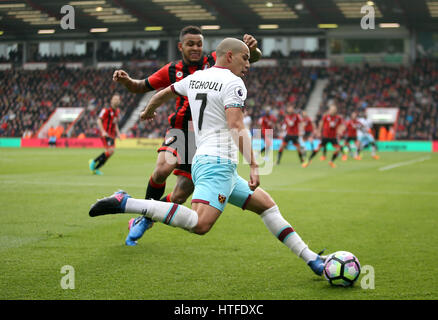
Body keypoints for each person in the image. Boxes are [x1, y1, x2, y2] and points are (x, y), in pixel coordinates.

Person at [89, 38, 328, 277]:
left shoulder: (195, 78)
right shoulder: (234, 82)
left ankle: (312, 259)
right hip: (217, 162)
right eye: (245, 58)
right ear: (230, 56)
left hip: (211, 162)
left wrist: (148, 110)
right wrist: (255, 163)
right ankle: (126, 203)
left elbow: (165, 93)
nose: (249, 63)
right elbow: (235, 124)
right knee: (200, 223)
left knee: (268, 208)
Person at [113, 26, 262, 245]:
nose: (195, 48)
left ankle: (146, 218)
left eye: (199, 44)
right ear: (181, 46)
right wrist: (126, 81)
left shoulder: (213, 61)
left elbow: (249, 57)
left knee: (181, 196)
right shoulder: (171, 70)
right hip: (182, 130)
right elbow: (141, 86)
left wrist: (254, 49)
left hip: (206, 139)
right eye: (190, 44)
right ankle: (144, 214)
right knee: (162, 169)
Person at [302, 104, 344, 168]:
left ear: (335, 111)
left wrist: (340, 131)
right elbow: (321, 123)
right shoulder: (326, 116)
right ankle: (308, 160)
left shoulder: (338, 118)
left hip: (333, 137)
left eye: (333, 110)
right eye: (331, 109)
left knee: (338, 149)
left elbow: (341, 125)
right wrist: (319, 131)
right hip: (325, 136)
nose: (332, 111)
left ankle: (331, 161)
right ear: (329, 110)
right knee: (317, 149)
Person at [88, 94, 121, 175]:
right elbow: (99, 120)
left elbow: (115, 123)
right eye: (115, 99)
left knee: (110, 153)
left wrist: (118, 133)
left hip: (112, 135)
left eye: (118, 99)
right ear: (111, 101)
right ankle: (93, 162)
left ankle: (96, 169)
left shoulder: (117, 111)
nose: (116, 100)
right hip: (106, 134)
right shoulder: (106, 110)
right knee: (110, 151)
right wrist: (103, 131)